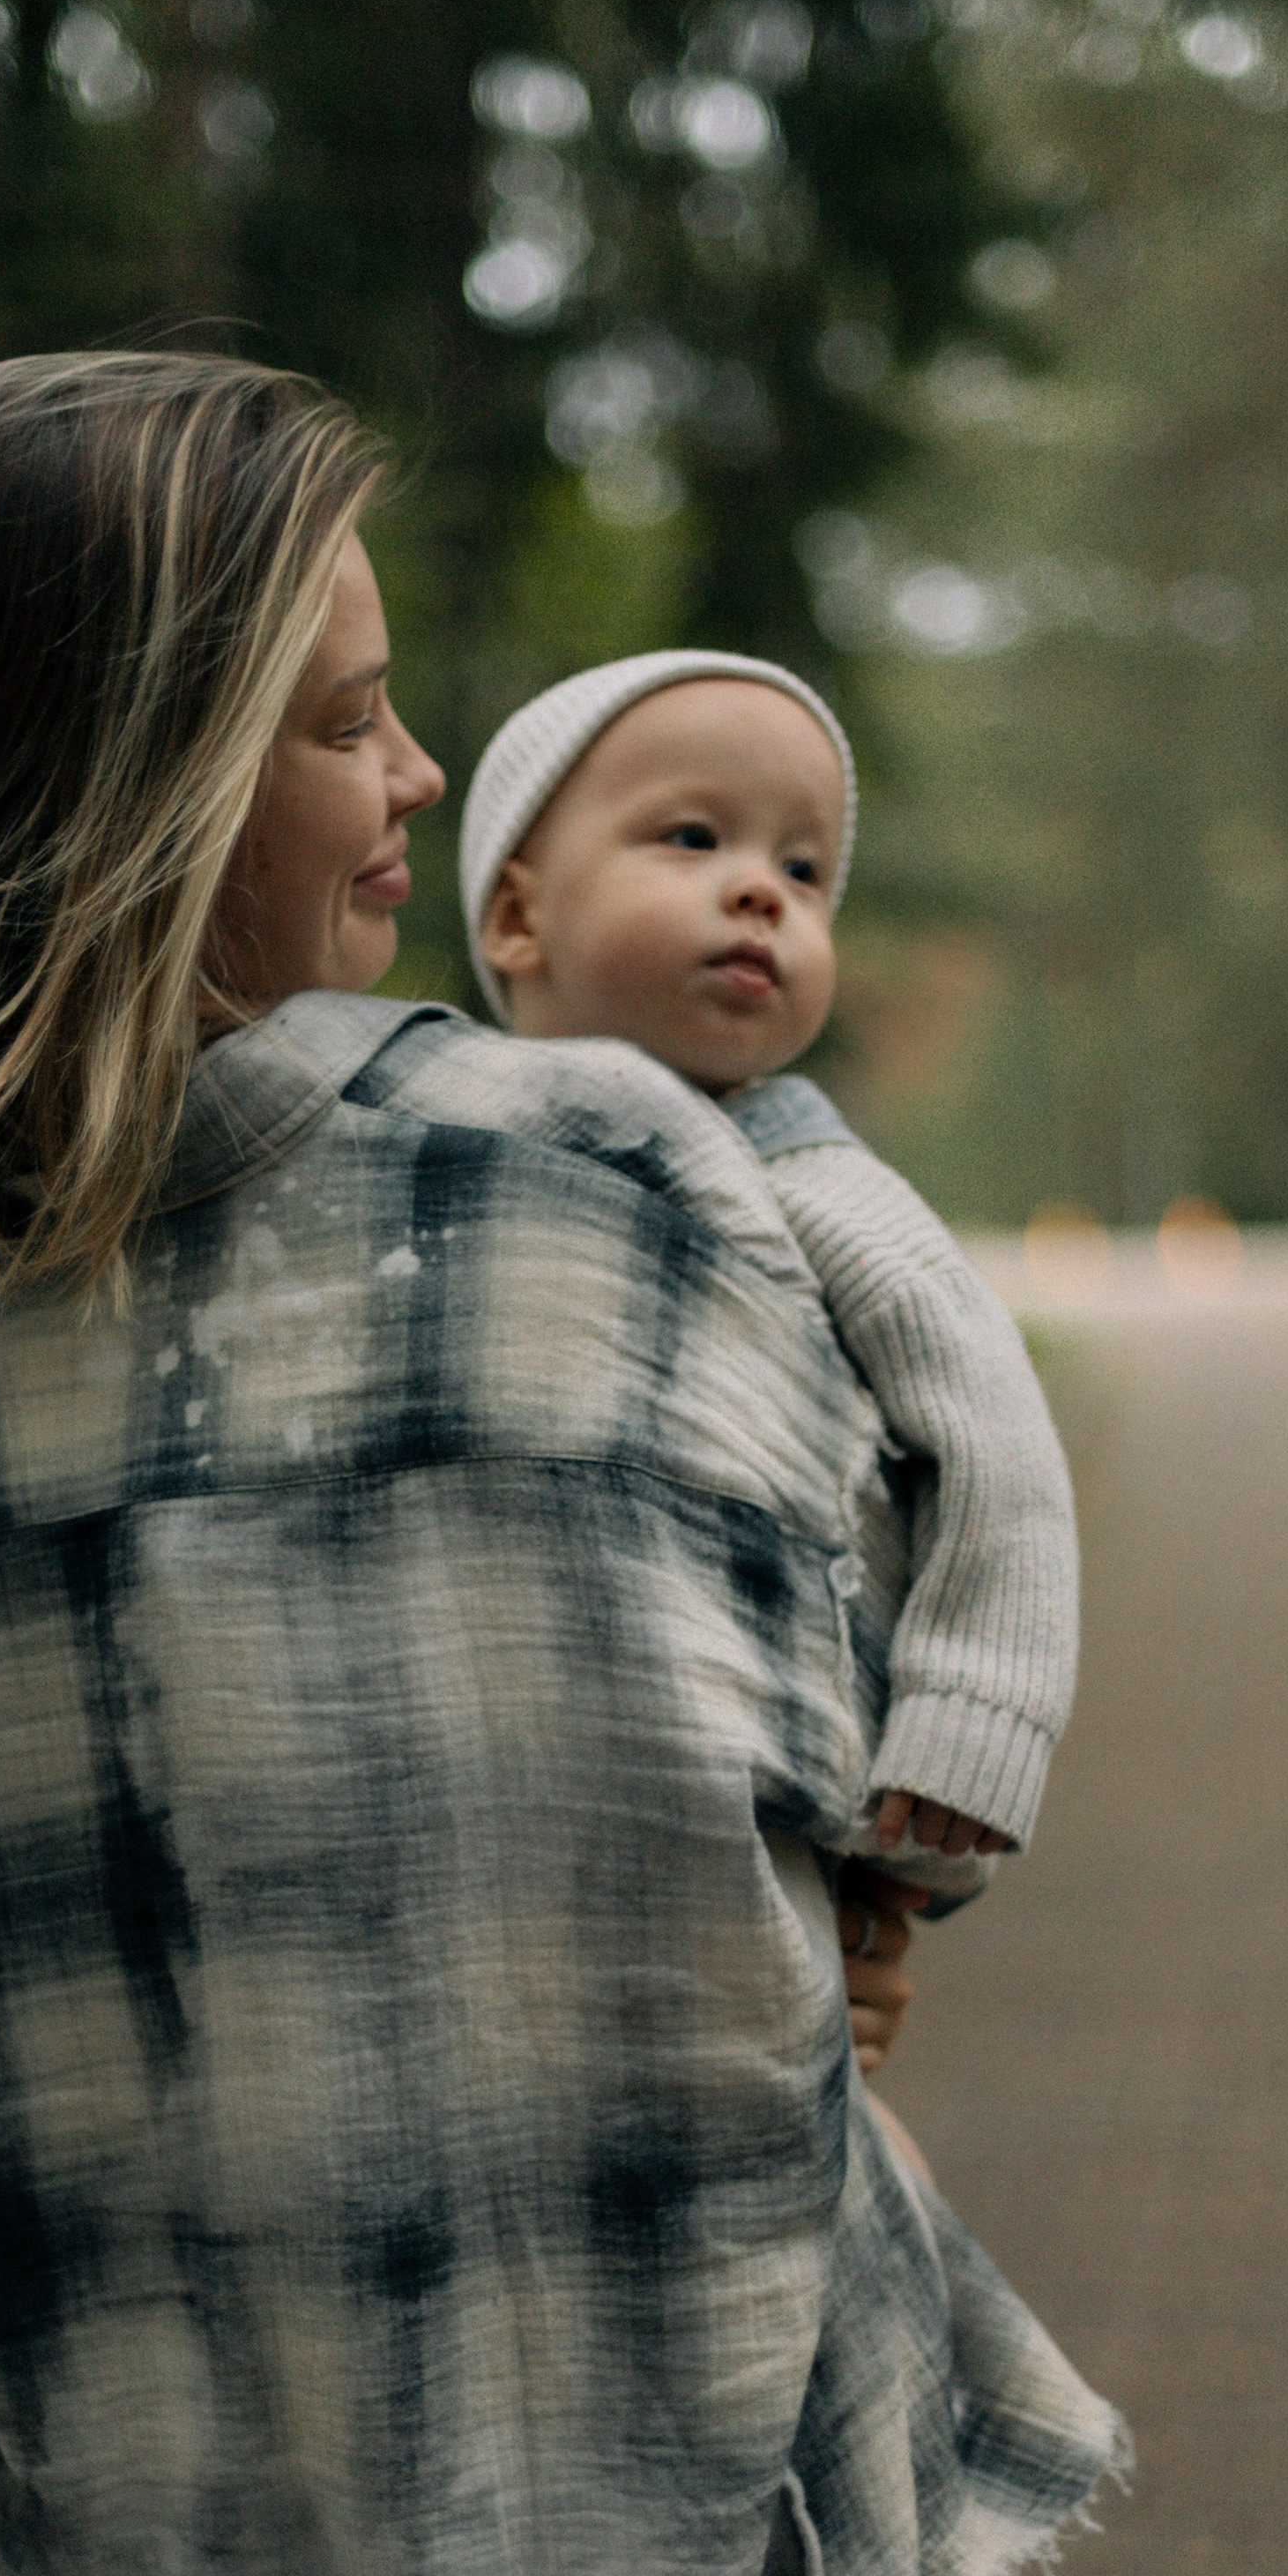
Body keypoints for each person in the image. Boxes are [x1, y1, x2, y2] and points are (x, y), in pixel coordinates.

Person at [0, 350, 1125, 2576]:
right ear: (135, 784)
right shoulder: (581, 1178)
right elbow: (778, 1812)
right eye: (341, 718)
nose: (412, 769)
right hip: (686, 2560)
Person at [461, 654, 1077, 1917]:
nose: (761, 891)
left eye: (803, 871)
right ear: (519, 916)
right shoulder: (453, 1168)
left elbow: (998, 1440)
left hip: (811, 1766)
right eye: (694, 838)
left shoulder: (814, 1185)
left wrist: (975, 1711)